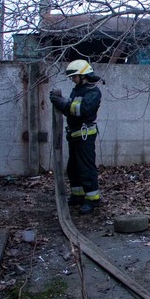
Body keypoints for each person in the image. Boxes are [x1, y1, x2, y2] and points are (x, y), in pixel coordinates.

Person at [49, 60, 103, 215]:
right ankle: (78, 195)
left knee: (86, 168)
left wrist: (63, 103)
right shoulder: (78, 90)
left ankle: (92, 199)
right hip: (74, 134)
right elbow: (70, 110)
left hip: (85, 135)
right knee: (73, 168)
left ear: (83, 76)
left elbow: (82, 110)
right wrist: (62, 104)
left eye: (74, 76)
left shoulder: (93, 91)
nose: (72, 79)